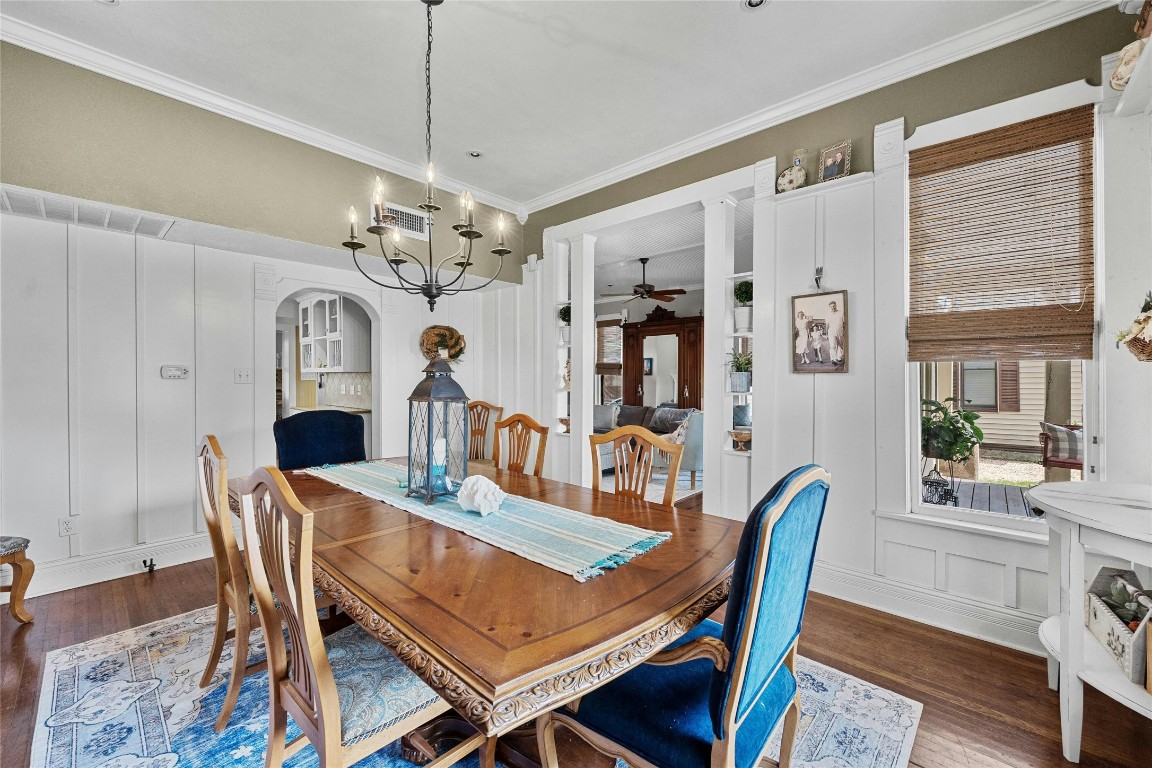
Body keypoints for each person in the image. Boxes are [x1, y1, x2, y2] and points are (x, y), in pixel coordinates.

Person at [827, 299, 844, 364]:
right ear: (829, 307)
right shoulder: (828, 314)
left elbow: (844, 323)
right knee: (833, 345)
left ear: (836, 306)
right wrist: (826, 333)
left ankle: (839, 357)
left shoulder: (841, 313)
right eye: (831, 306)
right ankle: (833, 359)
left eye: (834, 306)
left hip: (840, 331)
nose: (833, 307)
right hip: (831, 331)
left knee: (840, 345)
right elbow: (827, 324)